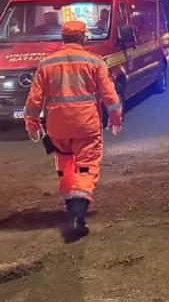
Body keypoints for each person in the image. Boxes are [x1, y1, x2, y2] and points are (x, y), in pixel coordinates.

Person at [24, 20, 123, 242]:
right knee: (85, 169)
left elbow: (34, 100)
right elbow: (110, 96)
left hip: (57, 127)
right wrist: (116, 118)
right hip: (86, 125)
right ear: (83, 38)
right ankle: (77, 218)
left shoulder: (46, 63)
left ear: (63, 38)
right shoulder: (94, 61)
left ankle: (71, 209)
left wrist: (32, 124)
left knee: (66, 168)